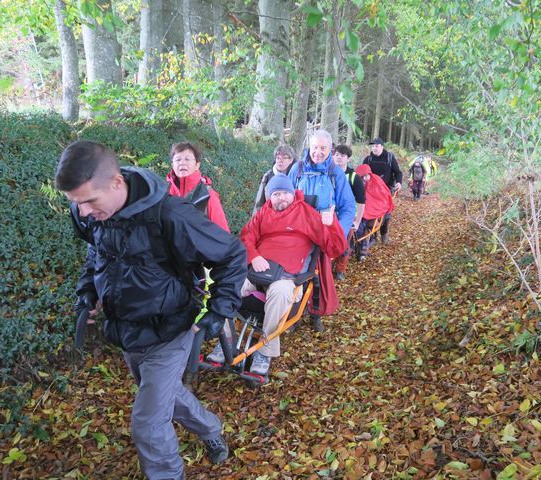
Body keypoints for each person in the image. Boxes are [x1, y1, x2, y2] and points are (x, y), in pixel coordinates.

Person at [55, 141, 247, 478]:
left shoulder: (171, 215)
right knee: (166, 395)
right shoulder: (90, 212)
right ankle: (211, 430)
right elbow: (96, 253)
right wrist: (88, 291)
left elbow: (231, 254)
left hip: (171, 331)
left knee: (147, 423)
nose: (81, 212)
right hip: (127, 332)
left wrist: (219, 310)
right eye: (75, 203)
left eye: (87, 202)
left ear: (116, 183)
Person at [207, 175, 347, 376]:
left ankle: (265, 350)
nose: (281, 198)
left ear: (293, 193)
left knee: (279, 292)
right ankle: (225, 340)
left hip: (288, 279)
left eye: (285, 193)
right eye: (276, 194)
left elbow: (336, 248)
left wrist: (331, 224)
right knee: (230, 286)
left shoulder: (306, 214)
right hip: (256, 273)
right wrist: (254, 256)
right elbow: (246, 237)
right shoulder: (263, 214)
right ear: (270, 197)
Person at [288, 129, 356, 241]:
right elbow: (286, 199)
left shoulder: (336, 173)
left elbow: (348, 206)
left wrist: (339, 233)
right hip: (299, 228)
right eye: (315, 147)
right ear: (310, 147)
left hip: (326, 229)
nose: (318, 152)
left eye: (323, 148)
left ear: (330, 150)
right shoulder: (297, 168)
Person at [166, 141, 230, 232]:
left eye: (187, 159)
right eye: (178, 159)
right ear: (172, 165)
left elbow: (223, 234)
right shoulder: (163, 192)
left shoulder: (207, 195)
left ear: (197, 165)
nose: (182, 163)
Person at [332, 144, 365, 281]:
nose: (339, 158)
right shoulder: (327, 173)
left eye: (342, 156)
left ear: (348, 159)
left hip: (348, 215)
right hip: (330, 214)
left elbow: (362, 201)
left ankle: (340, 269)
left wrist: (357, 221)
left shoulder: (353, 177)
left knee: (345, 244)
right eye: (337, 155)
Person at [362, 138, 403, 243]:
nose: (374, 148)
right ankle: (369, 233)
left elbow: (398, 172)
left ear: (382, 146)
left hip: (385, 190)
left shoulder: (389, 158)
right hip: (370, 191)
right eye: (373, 146)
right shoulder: (368, 159)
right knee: (368, 210)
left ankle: (383, 232)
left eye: (376, 146)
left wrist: (399, 182)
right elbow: (362, 172)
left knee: (385, 213)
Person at [354, 164, 395, 260]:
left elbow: (382, 196)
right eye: (361, 176)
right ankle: (362, 245)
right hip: (362, 207)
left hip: (376, 207)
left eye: (365, 176)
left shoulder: (376, 181)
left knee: (381, 219)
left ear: (369, 174)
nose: (364, 178)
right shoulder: (357, 182)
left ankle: (381, 235)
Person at [252, 144, 296, 215]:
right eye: (278, 158)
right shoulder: (268, 176)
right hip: (271, 217)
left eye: (284, 158)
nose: (280, 161)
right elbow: (259, 202)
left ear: (291, 160)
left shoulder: (296, 176)